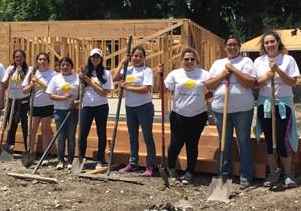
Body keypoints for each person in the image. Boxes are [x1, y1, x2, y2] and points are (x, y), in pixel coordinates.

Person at [205, 36, 256, 188]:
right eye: (229, 45)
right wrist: (223, 75)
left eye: (235, 45)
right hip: (221, 109)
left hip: (243, 109)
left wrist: (233, 70)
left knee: (244, 141)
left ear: (239, 47)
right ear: (225, 47)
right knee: (224, 142)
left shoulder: (246, 62)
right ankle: (224, 173)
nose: (232, 47)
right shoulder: (218, 63)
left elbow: (250, 83)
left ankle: (245, 174)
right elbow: (208, 84)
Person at [254, 30, 300, 188]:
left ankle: (288, 174)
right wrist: (267, 77)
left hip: (283, 104)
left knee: (281, 139)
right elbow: (256, 83)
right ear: (263, 45)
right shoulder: (259, 61)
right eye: (266, 43)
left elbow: (293, 82)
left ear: (278, 42)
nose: (269, 45)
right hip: (265, 104)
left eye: (272, 41)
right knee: (269, 140)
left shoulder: (288, 59)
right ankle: (273, 171)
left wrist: (278, 71)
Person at [163, 47, 210, 184]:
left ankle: (190, 171)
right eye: (186, 59)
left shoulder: (204, 74)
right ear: (181, 60)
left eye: (192, 59)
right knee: (176, 143)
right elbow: (165, 90)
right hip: (179, 114)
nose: (189, 61)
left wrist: (206, 97)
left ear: (196, 60)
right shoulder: (175, 74)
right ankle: (171, 168)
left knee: (192, 143)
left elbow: (211, 90)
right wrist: (160, 77)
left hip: (198, 114)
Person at [113, 46, 156, 177]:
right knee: (132, 136)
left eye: (139, 56)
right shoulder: (128, 70)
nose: (137, 58)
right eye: (135, 56)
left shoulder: (147, 71)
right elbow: (114, 78)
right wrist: (121, 63)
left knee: (147, 136)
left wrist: (127, 86)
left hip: (144, 107)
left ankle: (150, 165)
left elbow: (145, 89)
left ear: (144, 58)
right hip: (130, 107)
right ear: (131, 57)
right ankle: (133, 164)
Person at [79, 48, 114, 169]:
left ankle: (100, 159)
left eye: (98, 57)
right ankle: (81, 158)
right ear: (90, 58)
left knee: (101, 132)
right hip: (87, 106)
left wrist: (89, 82)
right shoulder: (85, 72)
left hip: (101, 106)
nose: (95, 59)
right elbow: (81, 89)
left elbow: (104, 93)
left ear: (101, 59)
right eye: (93, 57)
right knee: (83, 132)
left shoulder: (105, 73)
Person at [22, 52, 56, 165]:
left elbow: (50, 89)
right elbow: (24, 90)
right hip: (34, 106)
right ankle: (30, 153)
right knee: (31, 131)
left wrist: (38, 81)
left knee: (45, 132)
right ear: (37, 61)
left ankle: (45, 156)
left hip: (47, 105)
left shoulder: (53, 74)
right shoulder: (32, 73)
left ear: (48, 61)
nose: (42, 61)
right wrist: (32, 84)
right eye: (40, 59)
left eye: (44, 59)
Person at [46, 57, 79, 170]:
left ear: (72, 66)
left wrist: (76, 102)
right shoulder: (56, 79)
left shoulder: (77, 78)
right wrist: (63, 97)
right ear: (59, 67)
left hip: (73, 111)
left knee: (71, 136)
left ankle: (70, 160)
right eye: (63, 65)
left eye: (67, 65)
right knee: (60, 136)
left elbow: (82, 93)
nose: (65, 67)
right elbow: (50, 95)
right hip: (59, 110)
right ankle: (60, 160)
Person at [1, 49, 32, 150]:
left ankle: (27, 148)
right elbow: (4, 83)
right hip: (12, 100)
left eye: (20, 57)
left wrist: (21, 73)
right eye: (16, 57)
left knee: (24, 125)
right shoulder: (10, 69)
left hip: (23, 101)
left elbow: (25, 83)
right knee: (11, 124)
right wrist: (8, 76)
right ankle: (9, 146)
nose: (18, 59)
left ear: (24, 58)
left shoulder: (29, 69)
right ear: (14, 58)